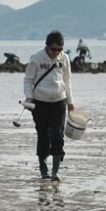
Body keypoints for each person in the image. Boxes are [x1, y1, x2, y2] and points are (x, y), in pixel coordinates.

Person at [24, 30, 75, 181]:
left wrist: (70, 102)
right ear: (47, 47)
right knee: (43, 135)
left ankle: (55, 172)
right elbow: (28, 80)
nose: (56, 52)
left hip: (59, 101)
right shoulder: (36, 58)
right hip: (40, 102)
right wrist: (29, 97)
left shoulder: (64, 58)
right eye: (53, 49)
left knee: (57, 135)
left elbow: (67, 81)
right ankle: (43, 168)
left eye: (60, 49)